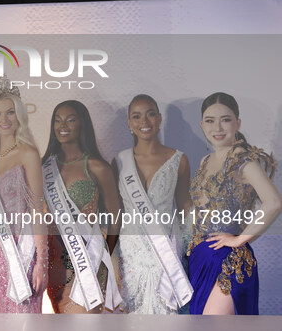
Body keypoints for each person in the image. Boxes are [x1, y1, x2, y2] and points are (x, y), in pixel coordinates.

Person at [188, 92, 282, 315]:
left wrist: (240, 239)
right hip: (201, 258)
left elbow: (274, 203)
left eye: (225, 119)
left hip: (228, 262)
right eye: (210, 121)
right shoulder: (206, 160)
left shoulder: (243, 161)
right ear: (202, 125)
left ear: (237, 123)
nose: (217, 128)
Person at [113, 94, 193, 314]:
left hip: (165, 246)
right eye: (136, 116)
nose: (144, 122)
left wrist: (191, 246)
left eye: (150, 114)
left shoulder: (179, 159)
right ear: (129, 123)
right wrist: (113, 254)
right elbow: (116, 212)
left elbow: (185, 204)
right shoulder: (120, 161)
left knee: (166, 311)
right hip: (131, 251)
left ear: (159, 119)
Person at [41, 100, 122, 313]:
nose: (63, 125)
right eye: (58, 120)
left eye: (71, 119)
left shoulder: (97, 167)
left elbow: (116, 217)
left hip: (88, 263)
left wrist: (104, 253)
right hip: (53, 266)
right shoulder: (44, 168)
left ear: (82, 124)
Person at [0, 77, 48, 313]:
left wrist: (41, 262)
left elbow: (38, 209)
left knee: (24, 315)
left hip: (22, 247)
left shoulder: (27, 153)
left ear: (19, 115)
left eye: (10, 112)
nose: (3, 120)